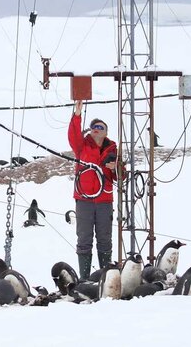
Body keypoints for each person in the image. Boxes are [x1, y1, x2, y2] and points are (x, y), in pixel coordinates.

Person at [68, 100, 118, 279]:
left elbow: (120, 176)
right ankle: (85, 279)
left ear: (106, 132)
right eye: (93, 126)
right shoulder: (82, 146)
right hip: (84, 200)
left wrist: (115, 168)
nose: (95, 128)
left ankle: (105, 277)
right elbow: (73, 134)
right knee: (84, 240)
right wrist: (77, 115)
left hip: (104, 201)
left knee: (105, 239)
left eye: (100, 126)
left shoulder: (113, 150)